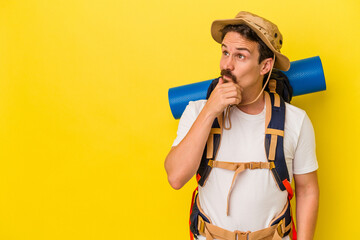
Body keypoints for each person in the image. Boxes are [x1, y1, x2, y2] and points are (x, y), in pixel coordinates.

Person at [165, 11, 319, 240]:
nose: (227, 64)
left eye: (240, 56)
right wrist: (210, 111)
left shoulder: (295, 121)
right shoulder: (197, 110)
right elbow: (176, 178)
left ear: (265, 65)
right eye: (225, 52)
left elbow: (307, 190)